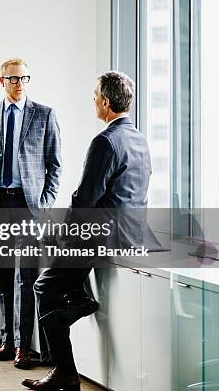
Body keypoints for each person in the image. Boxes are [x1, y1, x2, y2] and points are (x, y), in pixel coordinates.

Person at [22, 71, 151, 390]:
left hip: (100, 237)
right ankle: (76, 300)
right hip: (130, 234)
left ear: (106, 102)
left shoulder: (105, 140)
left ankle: (65, 362)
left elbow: (84, 199)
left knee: (43, 287)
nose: (93, 100)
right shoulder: (138, 138)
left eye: (95, 95)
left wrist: (63, 236)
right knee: (57, 279)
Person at [0, 58, 61, 369]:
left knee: (25, 277)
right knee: (3, 277)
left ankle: (23, 345)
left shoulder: (44, 114)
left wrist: (43, 204)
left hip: (28, 205)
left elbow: (55, 166)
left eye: (24, 78)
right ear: (1, 81)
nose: (19, 84)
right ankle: (6, 339)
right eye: (13, 79)